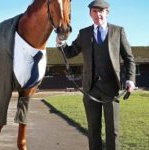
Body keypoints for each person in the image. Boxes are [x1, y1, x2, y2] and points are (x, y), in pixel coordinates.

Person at [56, 0, 136, 149]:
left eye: (101, 11)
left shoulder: (118, 31)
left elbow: (129, 58)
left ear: (107, 12)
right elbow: (71, 52)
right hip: (90, 88)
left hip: (111, 88)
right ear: (90, 14)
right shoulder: (84, 33)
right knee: (93, 130)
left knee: (112, 131)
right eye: (94, 11)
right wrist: (61, 44)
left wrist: (130, 80)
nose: (98, 14)